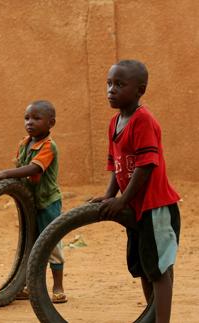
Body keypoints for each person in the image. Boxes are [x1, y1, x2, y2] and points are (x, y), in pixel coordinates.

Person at [90, 60, 180, 323]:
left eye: (119, 84)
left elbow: (145, 165)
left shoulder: (143, 121)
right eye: (109, 83)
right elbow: (116, 164)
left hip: (155, 206)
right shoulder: (114, 122)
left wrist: (122, 201)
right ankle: (150, 318)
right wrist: (109, 195)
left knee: (159, 270)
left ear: (140, 90)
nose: (111, 90)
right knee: (143, 265)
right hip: (135, 208)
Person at [0, 100, 67, 304]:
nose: (30, 122)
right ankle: (26, 286)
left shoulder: (49, 146)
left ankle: (58, 285)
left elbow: (33, 169)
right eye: (27, 118)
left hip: (48, 203)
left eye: (36, 118)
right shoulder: (24, 143)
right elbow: (20, 168)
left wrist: (5, 173)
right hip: (30, 202)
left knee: (51, 243)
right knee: (30, 244)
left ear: (51, 123)